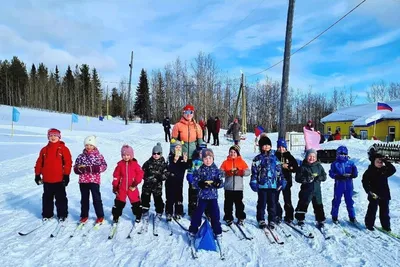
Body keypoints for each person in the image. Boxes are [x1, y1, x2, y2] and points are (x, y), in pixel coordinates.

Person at [34, 128, 72, 222]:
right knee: (47, 198)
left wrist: (66, 175)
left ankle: (62, 214)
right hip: (47, 179)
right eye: (51, 135)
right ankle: (47, 214)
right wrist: (37, 175)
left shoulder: (63, 149)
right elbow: (39, 163)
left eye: (55, 135)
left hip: (59, 179)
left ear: (59, 137)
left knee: (61, 198)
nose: (53, 137)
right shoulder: (44, 150)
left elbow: (68, 162)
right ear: (48, 137)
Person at [188, 148, 224, 241]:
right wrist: (199, 184)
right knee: (197, 214)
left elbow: (221, 183)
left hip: (213, 197)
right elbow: (194, 182)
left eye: (210, 158)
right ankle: (193, 230)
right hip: (202, 197)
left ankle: (217, 231)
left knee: (215, 215)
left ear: (213, 159)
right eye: (205, 159)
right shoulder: (199, 170)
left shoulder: (216, 170)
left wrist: (218, 183)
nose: (208, 160)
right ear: (202, 159)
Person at [249, 135, 284, 229]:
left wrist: (281, 181)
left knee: (272, 203)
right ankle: (261, 219)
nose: (266, 147)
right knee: (262, 203)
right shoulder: (257, 159)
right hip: (262, 185)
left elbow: (279, 171)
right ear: (261, 147)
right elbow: (254, 172)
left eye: (268, 145)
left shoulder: (274, 158)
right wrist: (254, 182)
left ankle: (272, 220)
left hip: (273, 185)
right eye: (264, 145)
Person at [73, 135, 108, 224]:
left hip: (94, 181)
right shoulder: (81, 156)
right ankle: (84, 215)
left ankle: (100, 216)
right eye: (87, 145)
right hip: (83, 181)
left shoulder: (98, 156)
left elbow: (104, 166)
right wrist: (80, 169)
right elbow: (75, 168)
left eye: (91, 145)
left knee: (96, 199)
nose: (88, 147)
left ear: (94, 146)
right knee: (84, 199)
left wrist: (92, 168)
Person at [362, 152, 396, 231]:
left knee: (385, 212)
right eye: (378, 161)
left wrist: (386, 161)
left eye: (381, 162)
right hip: (374, 194)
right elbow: (365, 182)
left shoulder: (384, 170)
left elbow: (393, 170)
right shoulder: (369, 172)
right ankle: (369, 224)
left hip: (384, 194)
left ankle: (386, 226)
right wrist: (369, 192)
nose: (380, 163)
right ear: (373, 161)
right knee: (372, 210)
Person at [294, 149, 327, 228]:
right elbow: (297, 178)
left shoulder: (319, 166)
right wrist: (305, 179)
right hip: (306, 190)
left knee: (318, 205)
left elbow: (324, 176)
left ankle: (320, 220)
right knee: (303, 203)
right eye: (309, 156)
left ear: (316, 157)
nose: (311, 158)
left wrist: (319, 178)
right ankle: (300, 219)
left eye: (313, 156)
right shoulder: (303, 167)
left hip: (316, 190)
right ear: (306, 157)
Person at [112, 145, 144, 223]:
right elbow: (116, 176)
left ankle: (138, 215)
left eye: (128, 155)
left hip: (132, 187)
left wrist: (135, 183)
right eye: (124, 155)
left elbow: (140, 174)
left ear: (131, 155)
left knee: (135, 202)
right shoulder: (120, 165)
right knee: (119, 202)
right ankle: (116, 216)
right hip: (122, 187)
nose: (126, 157)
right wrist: (115, 186)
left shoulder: (135, 164)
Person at [220, 145, 250, 225]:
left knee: (239, 204)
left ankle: (240, 217)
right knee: (228, 204)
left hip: (238, 188)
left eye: (234, 152)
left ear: (237, 153)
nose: (232, 153)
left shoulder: (241, 162)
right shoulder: (225, 162)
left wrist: (241, 172)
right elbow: (220, 173)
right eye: (231, 152)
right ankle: (228, 217)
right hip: (228, 188)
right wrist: (227, 173)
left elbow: (248, 172)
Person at [329, 145, 358, 224]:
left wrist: (354, 174)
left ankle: (352, 217)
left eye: (344, 154)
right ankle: (334, 216)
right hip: (339, 185)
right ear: (337, 154)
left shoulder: (351, 163)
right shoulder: (335, 164)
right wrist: (338, 176)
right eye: (340, 154)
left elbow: (355, 173)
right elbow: (331, 173)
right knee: (336, 200)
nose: (342, 156)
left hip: (348, 185)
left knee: (349, 201)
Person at [141, 142, 168, 221]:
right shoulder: (148, 162)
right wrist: (146, 177)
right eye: (154, 153)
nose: (156, 155)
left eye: (158, 153)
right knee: (145, 199)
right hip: (147, 186)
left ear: (161, 154)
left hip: (157, 186)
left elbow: (166, 174)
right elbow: (142, 171)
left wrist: (160, 177)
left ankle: (159, 212)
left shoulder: (163, 164)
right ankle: (145, 211)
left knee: (158, 199)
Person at [275, 138, 298, 223]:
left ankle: (289, 216)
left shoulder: (289, 156)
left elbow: (295, 167)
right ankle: (277, 214)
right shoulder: (275, 156)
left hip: (287, 181)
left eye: (283, 147)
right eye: (279, 147)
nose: (281, 149)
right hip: (277, 182)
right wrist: (281, 166)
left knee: (287, 199)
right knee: (275, 199)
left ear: (286, 147)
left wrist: (288, 166)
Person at [166, 140, 190, 221]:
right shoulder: (170, 157)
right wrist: (174, 161)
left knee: (179, 197)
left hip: (179, 181)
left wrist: (186, 161)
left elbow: (186, 167)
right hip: (170, 181)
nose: (178, 149)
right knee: (170, 197)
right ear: (173, 149)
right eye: (176, 147)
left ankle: (178, 212)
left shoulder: (182, 157)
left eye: (180, 147)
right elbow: (168, 168)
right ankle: (169, 212)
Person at [186, 143, 207, 217]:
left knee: (205, 199)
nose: (202, 154)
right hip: (195, 184)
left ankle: (206, 212)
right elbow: (190, 172)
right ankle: (192, 212)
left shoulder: (207, 162)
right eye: (201, 152)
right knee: (193, 198)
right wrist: (191, 181)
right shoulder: (194, 162)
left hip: (204, 184)